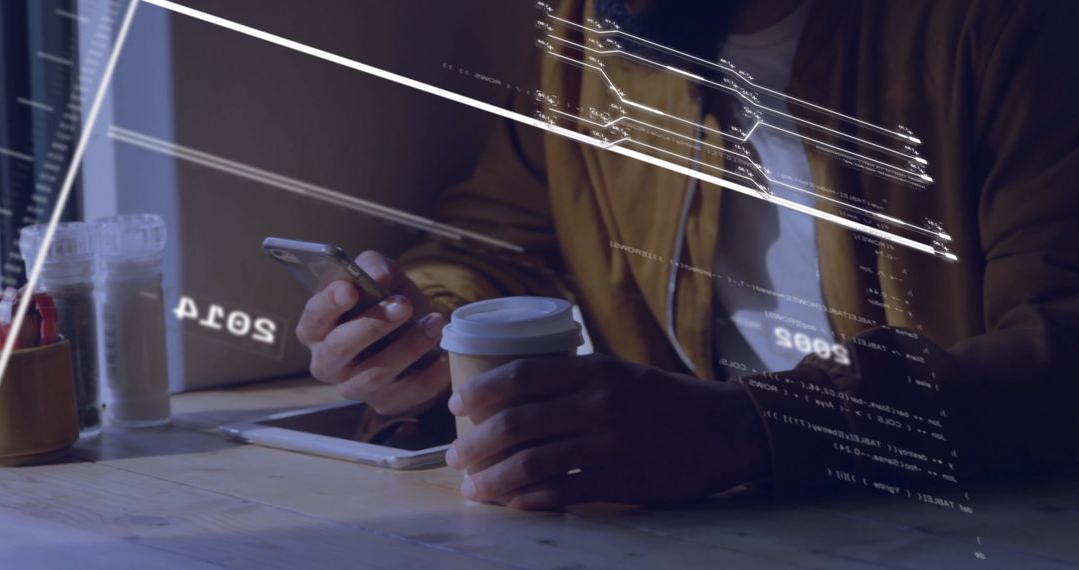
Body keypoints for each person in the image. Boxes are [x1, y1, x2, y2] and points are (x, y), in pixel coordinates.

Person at [295, 0, 1079, 510]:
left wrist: (750, 429)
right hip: (715, 520)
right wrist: (420, 337)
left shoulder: (1002, 29)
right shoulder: (595, 31)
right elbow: (500, 240)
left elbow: (1058, 351)